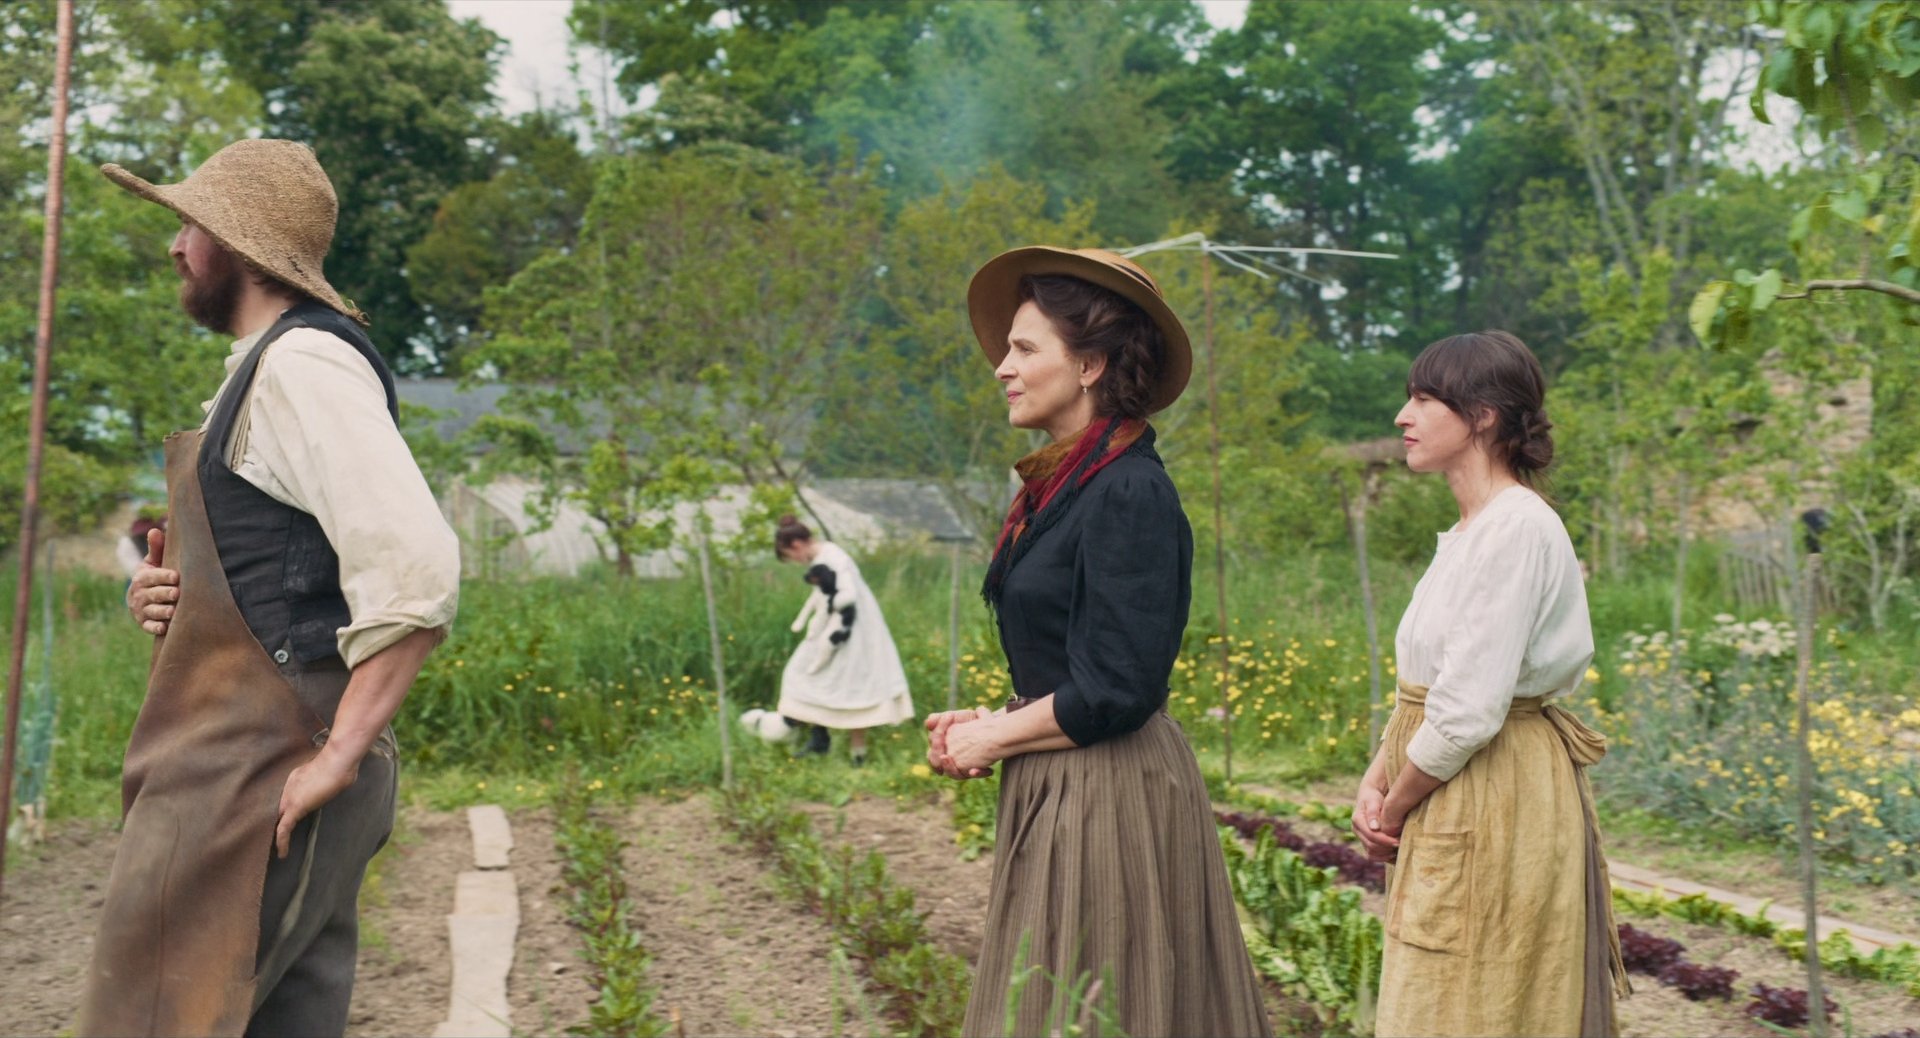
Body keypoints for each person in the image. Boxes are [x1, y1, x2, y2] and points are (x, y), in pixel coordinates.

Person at [79, 139, 461, 1037]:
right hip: (230, 755)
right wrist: (170, 599)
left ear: (235, 243)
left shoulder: (304, 366)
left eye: (188, 226)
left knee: (159, 1022)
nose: (175, 246)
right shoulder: (261, 372)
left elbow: (417, 567)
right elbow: (275, 572)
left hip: (267, 757)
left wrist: (336, 755)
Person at [927, 246, 1270, 1037]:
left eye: (1024, 348)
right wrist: (994, 722)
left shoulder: (1129, 491)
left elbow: (1118, 685)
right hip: (1062, 777)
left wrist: (992, 737)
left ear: (1089, 365)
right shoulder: (1067, 486)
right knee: (1057, 1003)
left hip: (1108, 793)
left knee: (1099, 1008)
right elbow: (1071, 661)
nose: (1002, 368)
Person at [1350, 330, 1629, 1037]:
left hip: (1492, 789)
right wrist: (1375, 778)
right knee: (1442, 996)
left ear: (1482, 416)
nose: (1402, 417)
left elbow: (1468, 712)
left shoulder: (1516, 530)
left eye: (1423, 399)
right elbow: (1429, 686)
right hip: (1453, 782)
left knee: (1477, 1002)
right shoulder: (1472, 531)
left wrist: (1394, 809)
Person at [772, 516, 914, 764]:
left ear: (796, 544)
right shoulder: (823, 557)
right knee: (803, 673)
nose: (795, 561)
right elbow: (821, 599)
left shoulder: (834, 558)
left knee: (855, 686)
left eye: (790, 555)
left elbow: (846, 596)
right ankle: (819, 736)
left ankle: (857, 753)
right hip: (832, 627)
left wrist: (828, 617)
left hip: (854, 630)